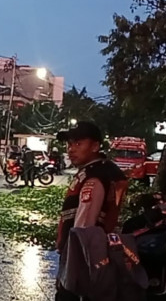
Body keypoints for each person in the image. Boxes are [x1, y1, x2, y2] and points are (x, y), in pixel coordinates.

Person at [55, 121, 128, 301]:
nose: (71, 149)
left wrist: (73, 268)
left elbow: (84, 227)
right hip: (94, 256)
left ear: (95, 146)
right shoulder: (100, 170)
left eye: (78, 144)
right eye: (69, 144)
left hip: (82, 258)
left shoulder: (94, 177)